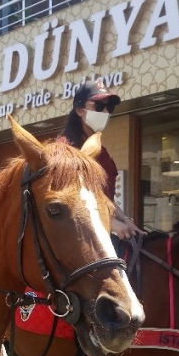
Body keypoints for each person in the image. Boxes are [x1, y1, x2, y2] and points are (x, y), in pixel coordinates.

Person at [60, 79, 142, 241]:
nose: (105, 112)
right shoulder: (65, 150)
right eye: (98, 106)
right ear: (79, 110)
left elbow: (105, 197)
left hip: (100, 236)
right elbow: (70, 199)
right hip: (73, 240)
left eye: (109, 107)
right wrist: (110, 222)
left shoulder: (101, 152)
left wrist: (126, 220)